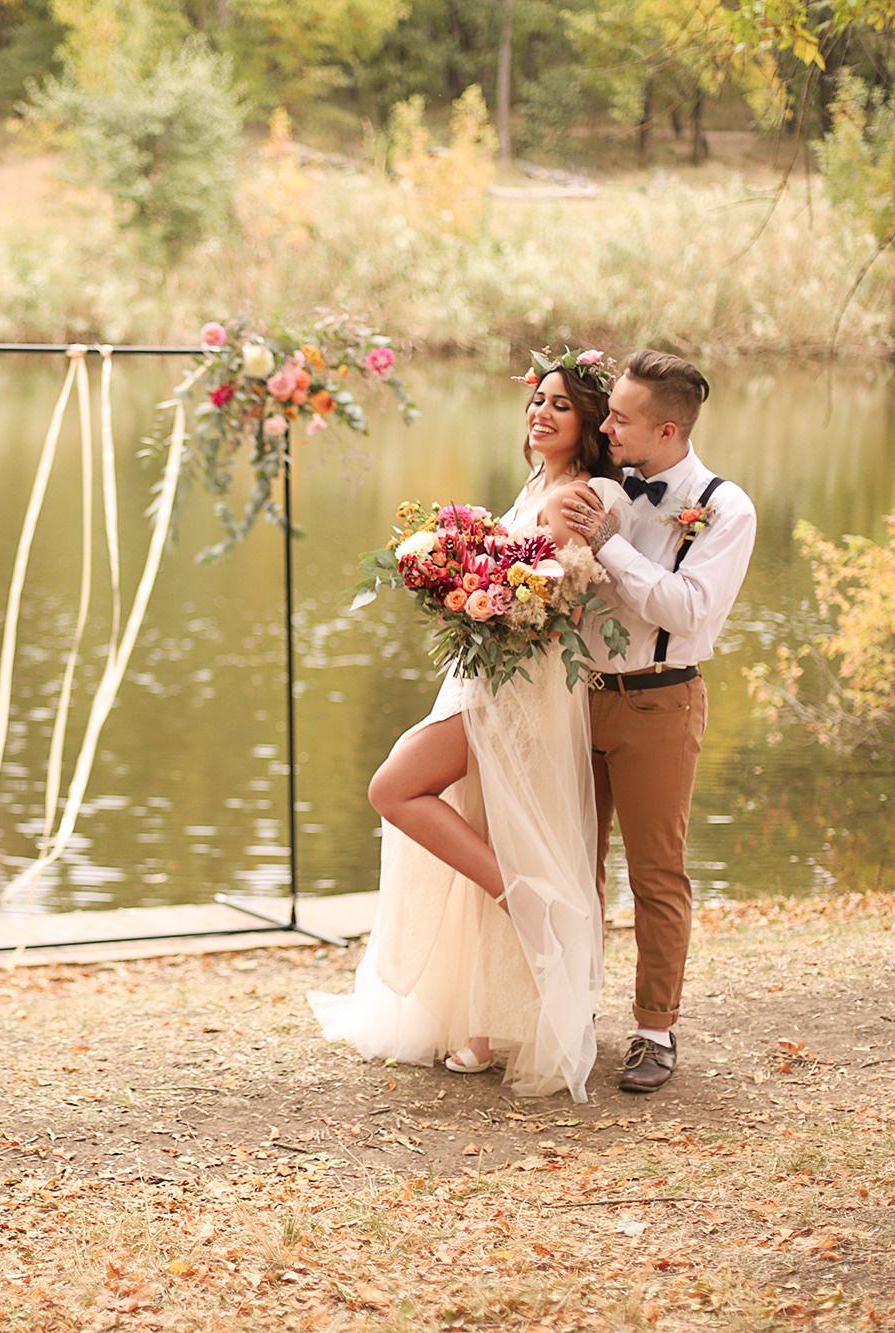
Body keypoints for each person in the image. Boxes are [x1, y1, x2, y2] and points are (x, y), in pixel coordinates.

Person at [310, 350, 633, 1102]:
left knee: (395, 788)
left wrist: (491, 591)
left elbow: (561, 592)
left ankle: (523, 897)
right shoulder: (542, 482)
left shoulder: (580, 494)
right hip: (490, 673)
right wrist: (455, 577)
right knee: (483, 820)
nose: (541, 412)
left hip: (519, 688)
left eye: (560, 404)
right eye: (538, 400)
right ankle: (486, 1026)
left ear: (590, 422)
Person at [558, 349, 757, 1095]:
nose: (605, 426)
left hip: (659, 703)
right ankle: (568, 1012)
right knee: (568, 864)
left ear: (667, 430)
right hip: (573, 697)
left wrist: (607, 544)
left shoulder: (726, 509)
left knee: (655, 874)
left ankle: (653, 1030)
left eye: (620, 418)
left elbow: (686, 608)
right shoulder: (598, 482)